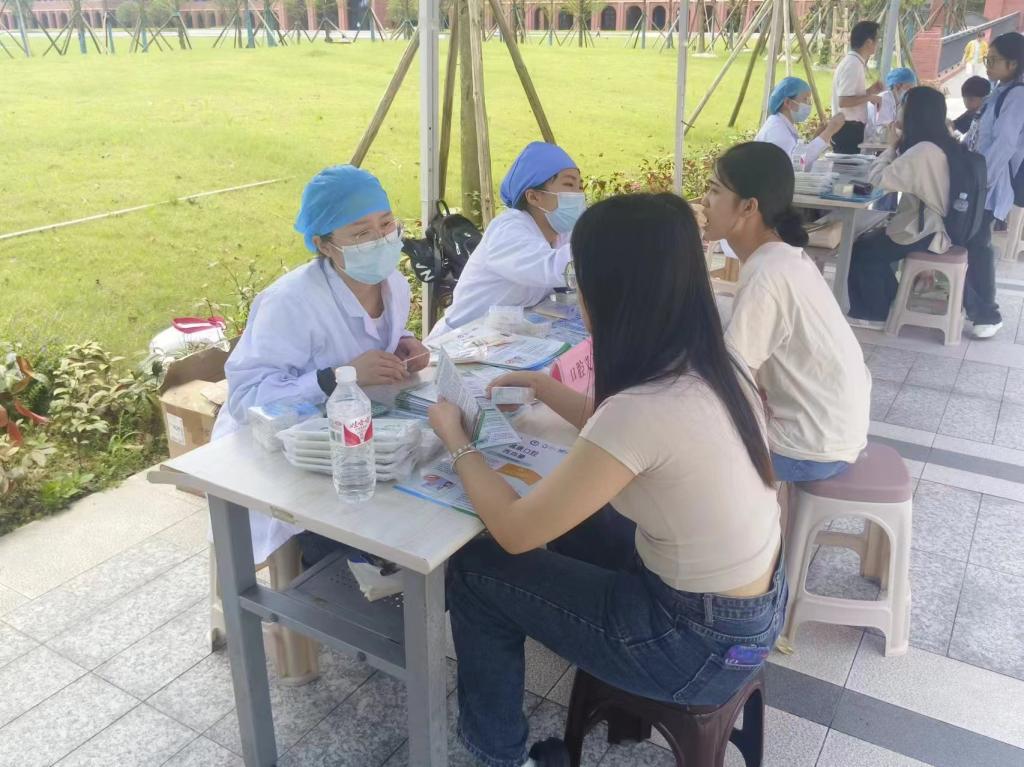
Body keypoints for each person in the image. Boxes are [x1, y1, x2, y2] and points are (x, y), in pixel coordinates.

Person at [429, 193, 785, 766]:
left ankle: (498, 755)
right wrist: (544, 387)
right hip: (750, 610)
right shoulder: (714, 359)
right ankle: (615, 700)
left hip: (692, 644)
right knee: (584, 521)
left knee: (476, 570)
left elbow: (516, 532)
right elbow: (627, 434)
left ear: (611, 291)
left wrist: (458, 441)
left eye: (579, 278)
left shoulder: (644, 408)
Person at [212, 165, 430, 565]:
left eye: (386, 224)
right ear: (324, 245)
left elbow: (368, 334)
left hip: (353, 441)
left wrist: (402, 342)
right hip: (277, 454)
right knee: (385, 537)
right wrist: (336, 378)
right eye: (361, 234)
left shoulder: (393, 285)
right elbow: (246, 398)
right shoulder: (290, 302)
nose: (382, 240)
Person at [702, 142, 870, 483]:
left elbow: (732, 381)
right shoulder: (784, 258)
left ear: (748, 207)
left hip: (807, 449)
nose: (704, 201)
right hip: (834, 435)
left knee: (675, 449)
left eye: (714, 190)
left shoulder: (767, 275)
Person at [427, 142, 584, 340]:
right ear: (533, 197)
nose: (579, 195)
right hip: (460, 341)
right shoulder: (508, 230)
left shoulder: (561, 231)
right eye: (569, 185)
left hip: (506, 338)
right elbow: (554, 267)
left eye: (581, 187)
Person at [846, 87, 956, 328]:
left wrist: (890, 147)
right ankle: (891, 301)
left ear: (915, 112)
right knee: (870, 243)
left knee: (862, 250)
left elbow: (876, 181)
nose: (899, 110)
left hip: (926, 231)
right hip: (937, 226)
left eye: (903, 106)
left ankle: (873, 313)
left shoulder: (922, 152)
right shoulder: (941, 143)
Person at [755, 76, 845, 168]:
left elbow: (797, 155)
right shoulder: (776, 129)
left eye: (809, 100)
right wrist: (829, 131)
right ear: (788, 102)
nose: (808, 105)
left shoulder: (781, 124)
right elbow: (797, 164)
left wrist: (816, 137)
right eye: (805, 99)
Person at [831, 21, 884, 154]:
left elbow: (851, 96)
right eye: (877, 40)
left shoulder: (855, 63)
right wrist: (870, 97)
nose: (878, 44)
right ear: (868, 42)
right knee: (848, 165)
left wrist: (870, 91)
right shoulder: (853, 64)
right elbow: (844, 101)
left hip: (850, 128)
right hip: (847, 128)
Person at [868, 67, 917, 144]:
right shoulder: (884, 99)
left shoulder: (898, 103)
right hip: (874, 145)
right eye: (909, 88)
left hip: (884, 143)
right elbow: (887, 129)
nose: (911, 92)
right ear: (897, 86)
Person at [953, 75, 992, 141]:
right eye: (964, 99)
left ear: (985, 98)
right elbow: (954, 125)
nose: (967, 103)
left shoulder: (988, 116)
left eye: (971, 99)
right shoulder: (972, 112)